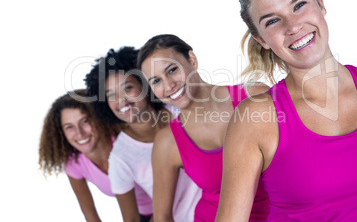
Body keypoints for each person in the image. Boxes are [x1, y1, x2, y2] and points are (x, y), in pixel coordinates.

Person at [215, 0, 357, 221]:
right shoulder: (254, 119)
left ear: (321, 3)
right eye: (272, 21)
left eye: (299, 5)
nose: (293, 27)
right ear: (261, 39)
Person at [138, 34, 270, 222]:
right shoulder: (168, 142)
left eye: (172, 70)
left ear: (192, 60)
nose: (169, 85)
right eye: (156, 81)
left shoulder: (254, 96)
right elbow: (162, 218)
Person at [85, 46, 201, 222]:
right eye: (111, 95)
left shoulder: (181, 110)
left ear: (145, 84)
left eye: (128, 88)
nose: (121, 100)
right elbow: (131, 218)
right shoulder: (120, 157)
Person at [38, 89, 118, 222]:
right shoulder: (74, 163)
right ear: (61, 132)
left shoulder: (123, 142)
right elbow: (91, 217)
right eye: (69, 127)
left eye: (85, 121)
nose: (79, 133)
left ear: (97, 118)